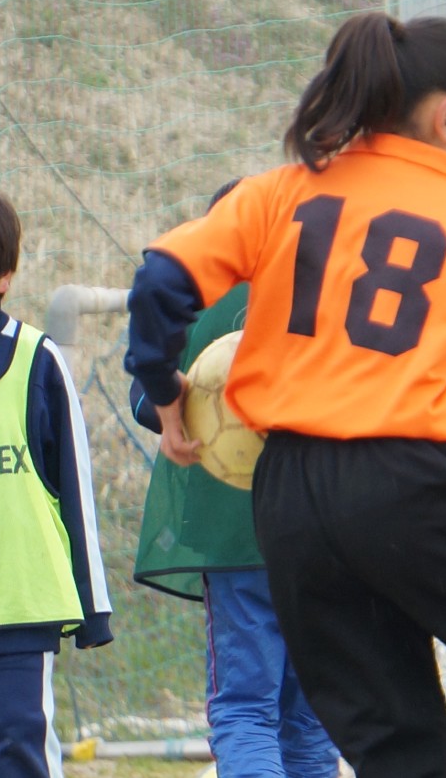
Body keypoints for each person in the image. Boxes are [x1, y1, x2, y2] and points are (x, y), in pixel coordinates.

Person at [124, 13, 446, 778]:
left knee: (398, 747)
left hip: (287, 496)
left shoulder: (281, 192)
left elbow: (160, 282)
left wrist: (165, 390)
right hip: (409, 479)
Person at [129, 179, 340, 778]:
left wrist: (188, 402)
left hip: (233, 538)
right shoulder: (328, 292)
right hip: (324, 532)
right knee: (311, 716)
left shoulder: (195, 301)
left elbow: (146, 401)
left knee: (245, 706)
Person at [0, 179, 114, 776]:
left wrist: (93, 605)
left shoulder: (37, 361)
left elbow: (74, 490)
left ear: (3, 275)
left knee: (20, 755)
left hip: (19, 613)